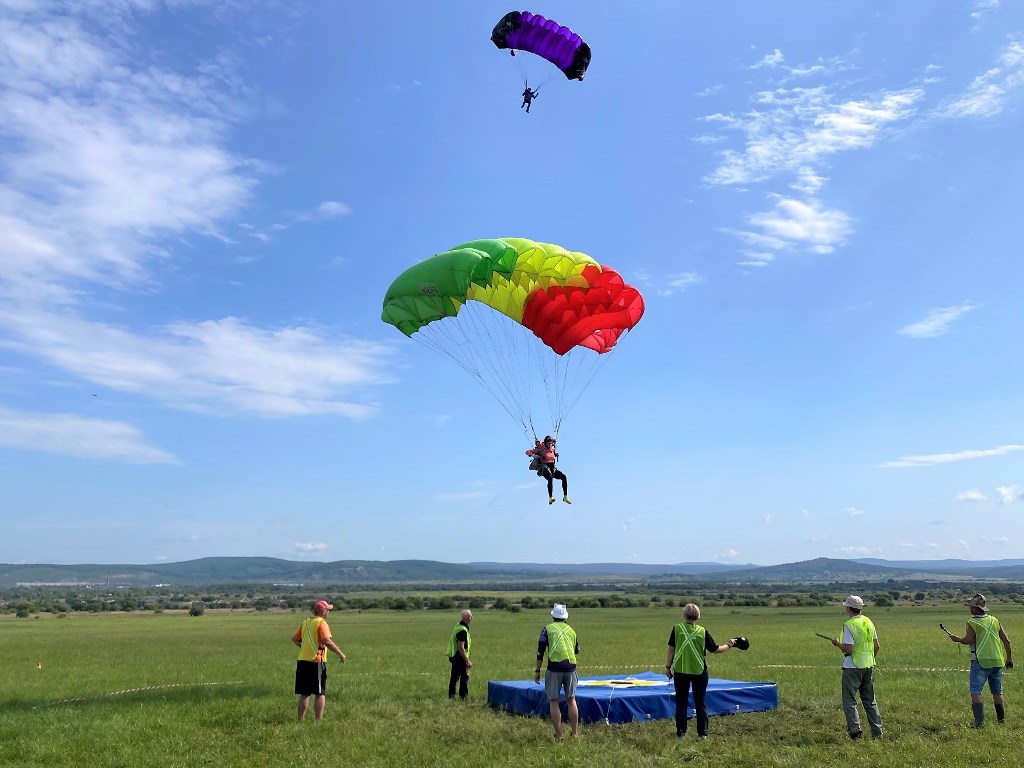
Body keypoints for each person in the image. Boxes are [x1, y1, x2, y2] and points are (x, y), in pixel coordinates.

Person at [665, 602, 740, 739]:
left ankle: (681, 733)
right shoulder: (702, 631)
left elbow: (671, 649)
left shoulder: (677, 629)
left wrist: (668, 667)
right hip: (699, 671)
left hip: (681, 671)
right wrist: (730, 644)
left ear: (684, 614)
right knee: (700, 703)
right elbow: (716, 649)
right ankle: (702, 734)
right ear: (698, 616)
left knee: (681, 703)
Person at [948, 593, 1013, 727]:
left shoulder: (972, 622)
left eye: (971, 606)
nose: (969, 608)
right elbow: (1007, 641)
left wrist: (958, 639)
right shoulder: (994, 620)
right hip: (998, 660)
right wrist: (1009, 658)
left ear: (975, 608)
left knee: (975, 691)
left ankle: (979, 723)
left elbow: (969, 640)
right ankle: (1001, 721)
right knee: (997, 691)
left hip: (981, 661)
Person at [829, 595, 883, 739]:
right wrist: (869, 659)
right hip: (868, 665)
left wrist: (837, 644)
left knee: (849, 701)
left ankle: (855, 731)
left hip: (852, 667)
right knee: (870, 701)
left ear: (848, 608)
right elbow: (877, 646)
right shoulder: (868, 622)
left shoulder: (849, 625)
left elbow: (848, 649)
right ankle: (877, 732)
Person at [292, 599, 347, 722]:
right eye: (327, 610)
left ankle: (300, 720)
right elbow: (326, 640)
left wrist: (304, 647)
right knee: (320, 693)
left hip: (302, 661)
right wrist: (340, 653)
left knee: (304, 693)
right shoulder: (321, 623)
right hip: (316, 662)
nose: (328, 612)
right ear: (322, 611)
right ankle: (318, 722)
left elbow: (295, 639)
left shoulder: (306, 622)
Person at [534, 603, 580, 740]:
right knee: (571, 700)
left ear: (553, 615)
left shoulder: (547, 629)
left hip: (554, 668)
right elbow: (577, 650)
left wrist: (537, 670)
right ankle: (575, 733)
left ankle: (559, 736)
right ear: (565, 617)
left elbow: (540, 652)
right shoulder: (571, 630)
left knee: (554, 701)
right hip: (571, 667)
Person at [525, 435, 570, 504]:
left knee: (564, 477)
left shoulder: (553, 448)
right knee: (550, 478)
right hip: (544, 468)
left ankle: (565, 497)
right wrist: (533, 455)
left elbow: (553, 453)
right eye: (548, 443)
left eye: (551, 443)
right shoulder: (540, 448)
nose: (549, 444)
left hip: (553, 468)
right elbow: (527, 452)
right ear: (545, 443)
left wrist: (556, 454)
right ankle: (550, 497)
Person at [446, 609, 474, 700]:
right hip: (459, 656)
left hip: (454, 656)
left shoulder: (458, 625)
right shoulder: (462, 630)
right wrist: (467, 661)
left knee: (454, 677)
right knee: (465, 676)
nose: (471, 618)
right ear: (466, 617)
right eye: (470, 616)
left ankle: (451, 696)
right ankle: (463, 697)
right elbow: (461, 647)